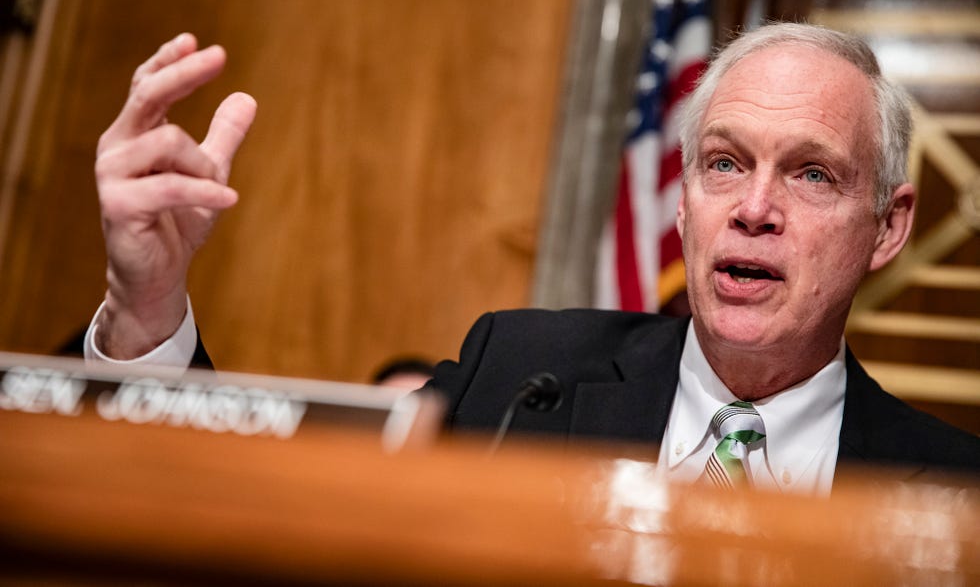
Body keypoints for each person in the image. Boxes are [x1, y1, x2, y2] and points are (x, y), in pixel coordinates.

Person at [84, 24, 979, 495]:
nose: (753, 208)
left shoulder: (955, 492)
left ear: (888, 227)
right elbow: (264, 517)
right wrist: (150, 304)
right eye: (724, 162)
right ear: (682, 197)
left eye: (811, 173)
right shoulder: (514, 376)